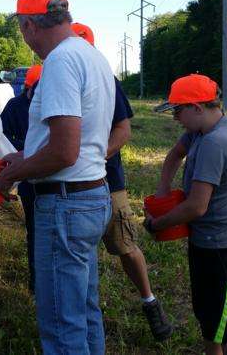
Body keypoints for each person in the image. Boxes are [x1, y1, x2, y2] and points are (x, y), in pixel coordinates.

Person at [0, 0, 115, 355]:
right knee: (83, 308)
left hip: (65, 204)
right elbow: (70, 142)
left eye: (22, 30)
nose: (26, 40)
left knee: (63, 324)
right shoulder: (91, 55)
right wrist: (26, 157)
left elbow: (64, 151)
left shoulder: (61, 61)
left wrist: (14, 173)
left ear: (30, 25)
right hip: (91, 194)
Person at [72, 22, 173, 341]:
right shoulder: (60, 77)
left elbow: (123, 130)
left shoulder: (107, 81)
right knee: (79, 254)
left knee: (124, 245)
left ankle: (150, 302)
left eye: (82, 44)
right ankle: (87, 317)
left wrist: (96, 159)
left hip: (107, 180)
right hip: (70, 185)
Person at [147, 74, 227, 355]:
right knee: (210, 316)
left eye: (178, 111)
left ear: (197, 107)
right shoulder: (200, 132)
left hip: (223, 248)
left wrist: (158, 223)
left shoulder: (215, 143)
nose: (175, 118)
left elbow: (196, 206)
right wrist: (163, 192)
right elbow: (174, 155)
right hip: (205, 242)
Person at [0, 64, 42, 293]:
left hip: (52, 174)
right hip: (28, 175)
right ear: (27, 87)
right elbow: (2, 133)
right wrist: (23, 151)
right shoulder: (15, 106)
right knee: (35, 230)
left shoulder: (51, 103)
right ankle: (36, 284)